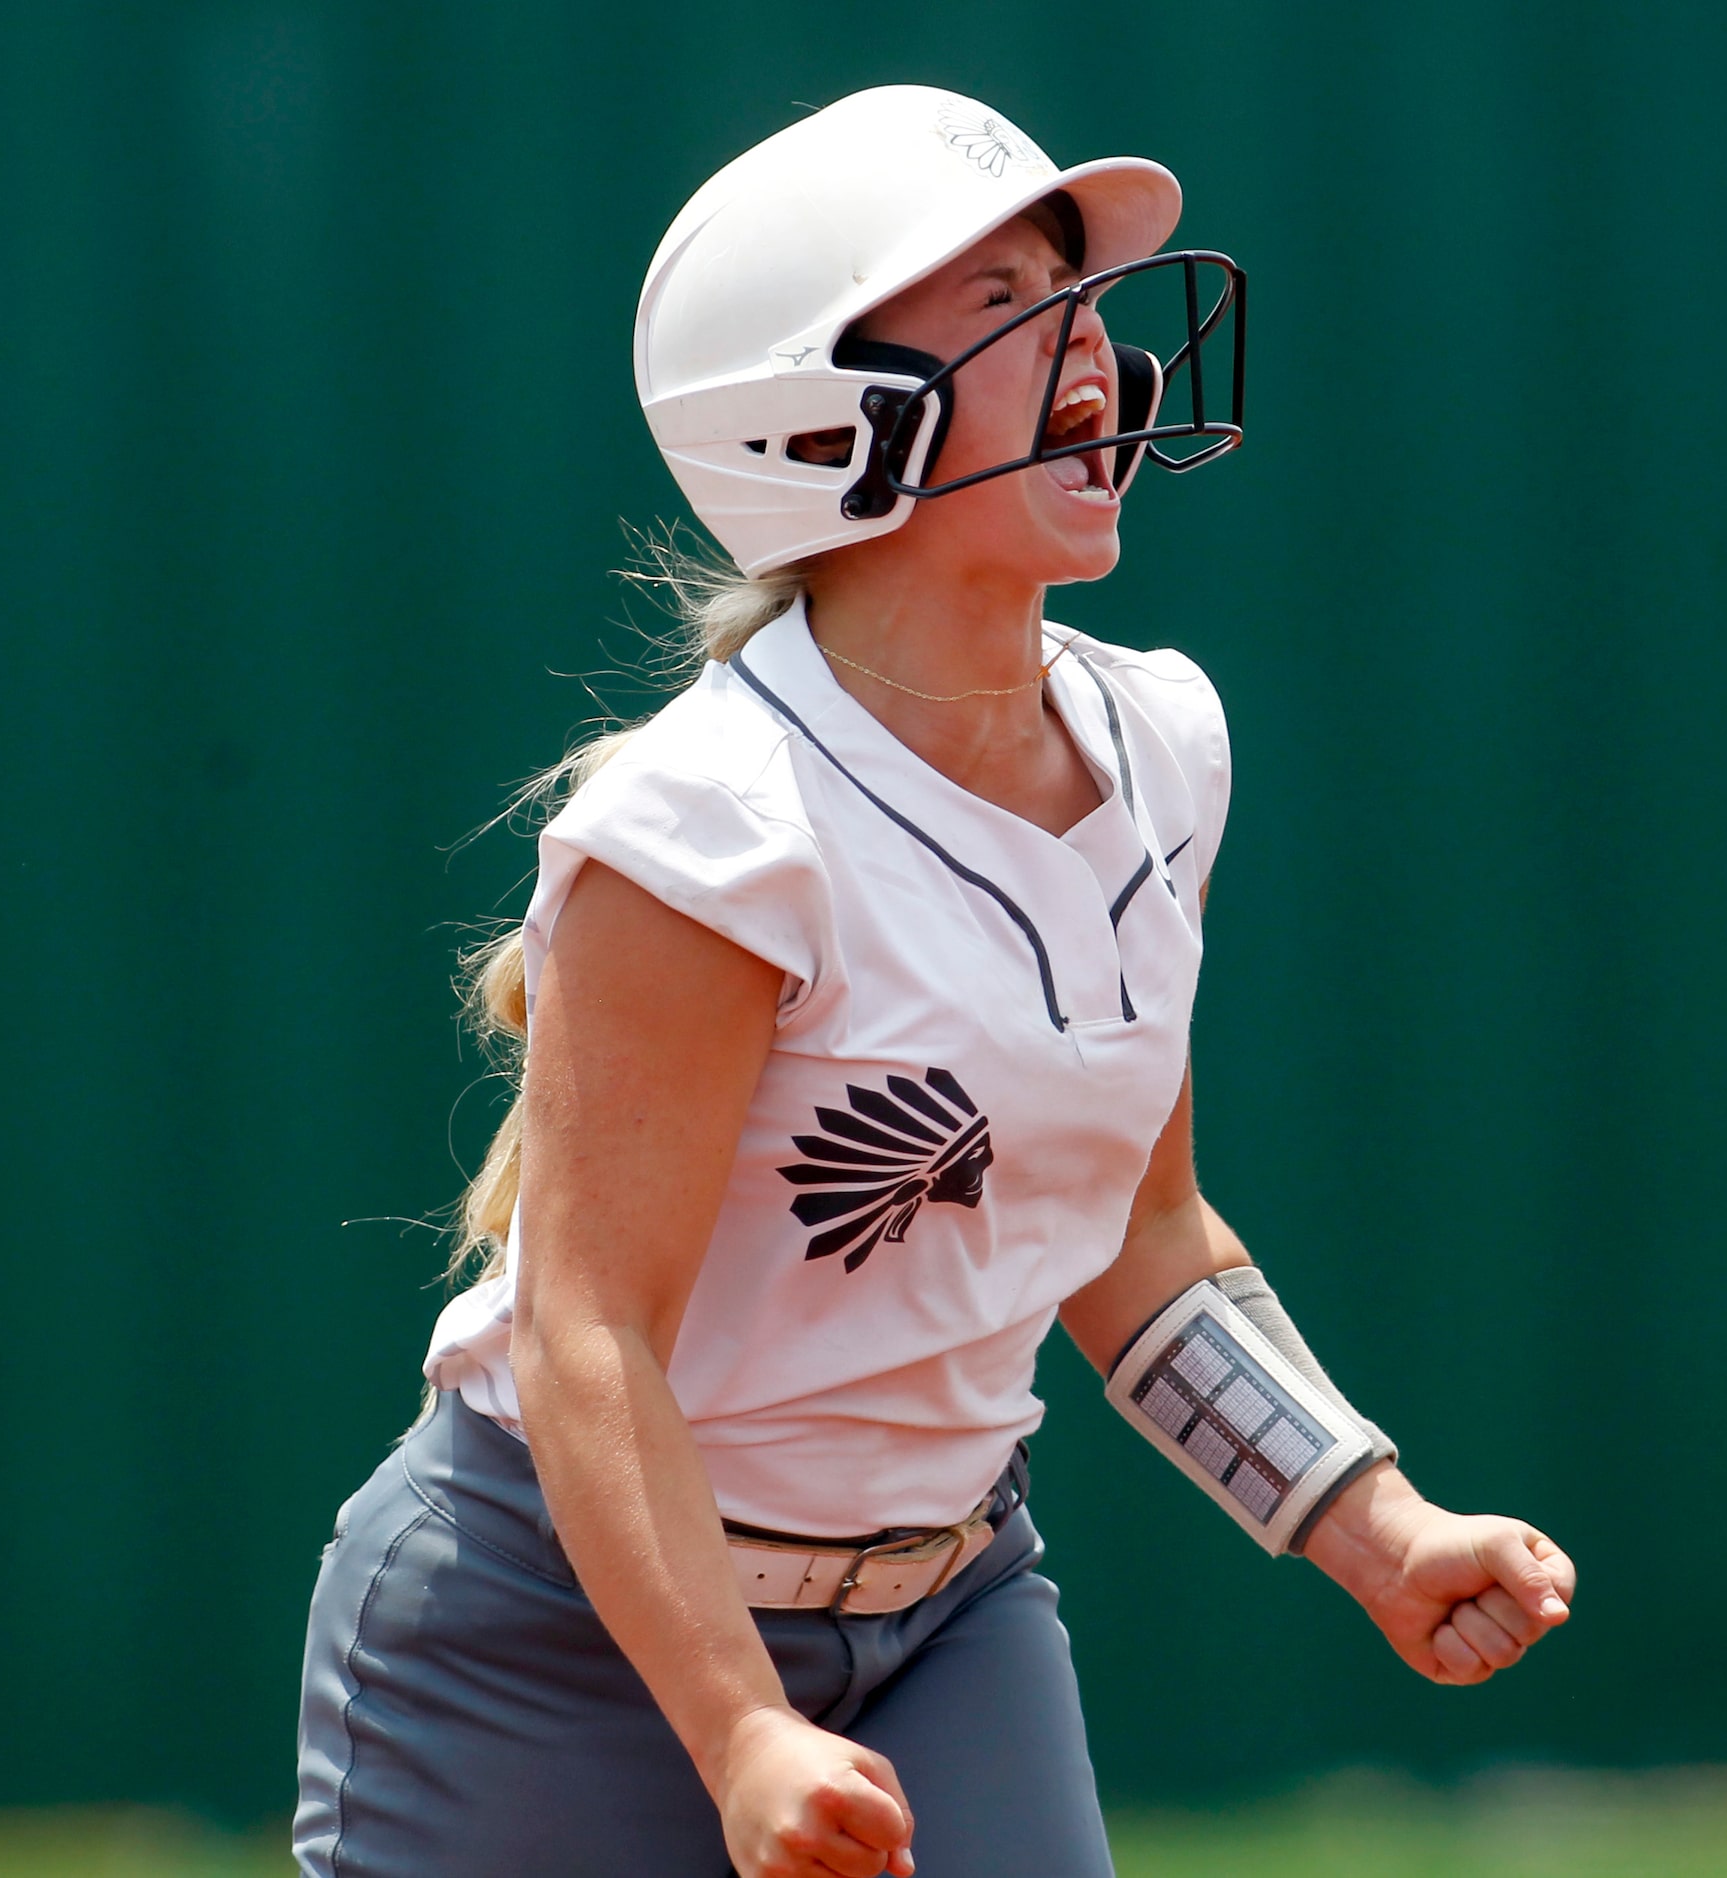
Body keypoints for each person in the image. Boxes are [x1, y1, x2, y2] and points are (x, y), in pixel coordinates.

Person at [293, 85, 1576, 1878]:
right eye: (995, 302)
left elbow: (1142, 1237)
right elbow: (587, 1342)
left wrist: (1378, 1528)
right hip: (548, 1626)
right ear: (820, 417)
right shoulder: (714, 826)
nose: (1097, 346)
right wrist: (742, 1730)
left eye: (1080, 290)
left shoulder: (1165, 740)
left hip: (949, 1605)